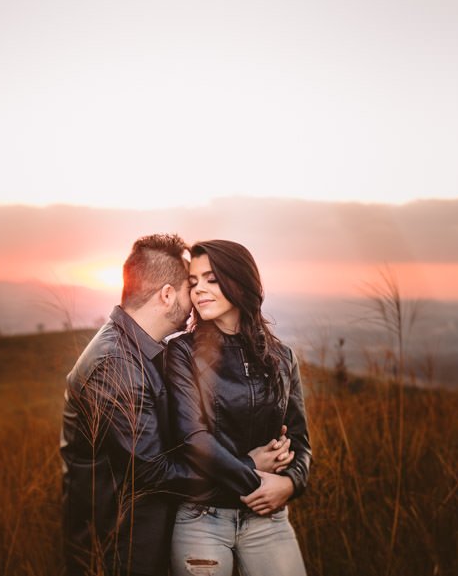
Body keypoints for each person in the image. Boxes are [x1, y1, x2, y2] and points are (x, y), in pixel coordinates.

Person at [60, 234, 291, 576]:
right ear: (167, 295)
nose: (197, 298)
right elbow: (153, 472)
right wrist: (246, 467)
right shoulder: (115, 365)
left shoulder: (142, 353)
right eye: (190, 286)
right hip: (119, 553)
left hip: (141, 542)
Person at [165, 239, 311, 576]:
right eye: (193, 282)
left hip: (268, 517)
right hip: (203, 517)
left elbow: (301, 441)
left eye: (211, 279)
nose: (199, 290)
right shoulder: (182, 353)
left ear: (241, 282)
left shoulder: (283, 357)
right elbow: (191, 438)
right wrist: (253, 474)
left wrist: (290, 484)